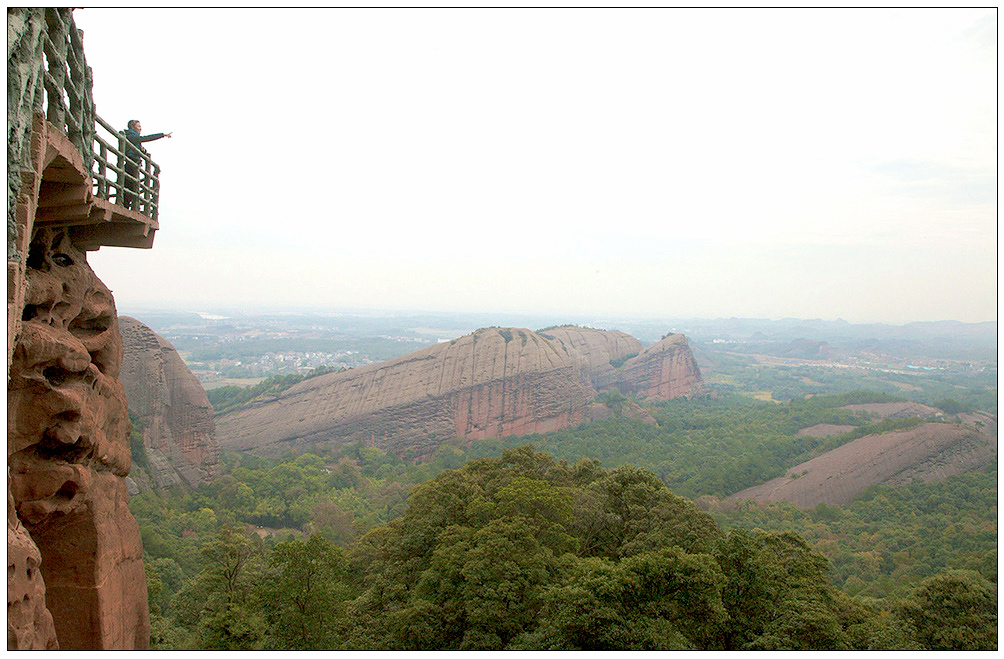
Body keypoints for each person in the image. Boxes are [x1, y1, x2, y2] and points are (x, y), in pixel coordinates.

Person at [121, 119, 171, 210]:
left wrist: (143, 151)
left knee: (131, 185)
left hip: (134, 163)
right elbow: (145, 138)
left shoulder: (133, 137)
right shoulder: (131, 136)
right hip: (131, 162)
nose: (140, 128)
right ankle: (125, 206)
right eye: (138, 126)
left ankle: (127, 205)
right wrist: (162, 135)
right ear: (132, 127)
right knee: (129, 185)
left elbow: (140, 148)